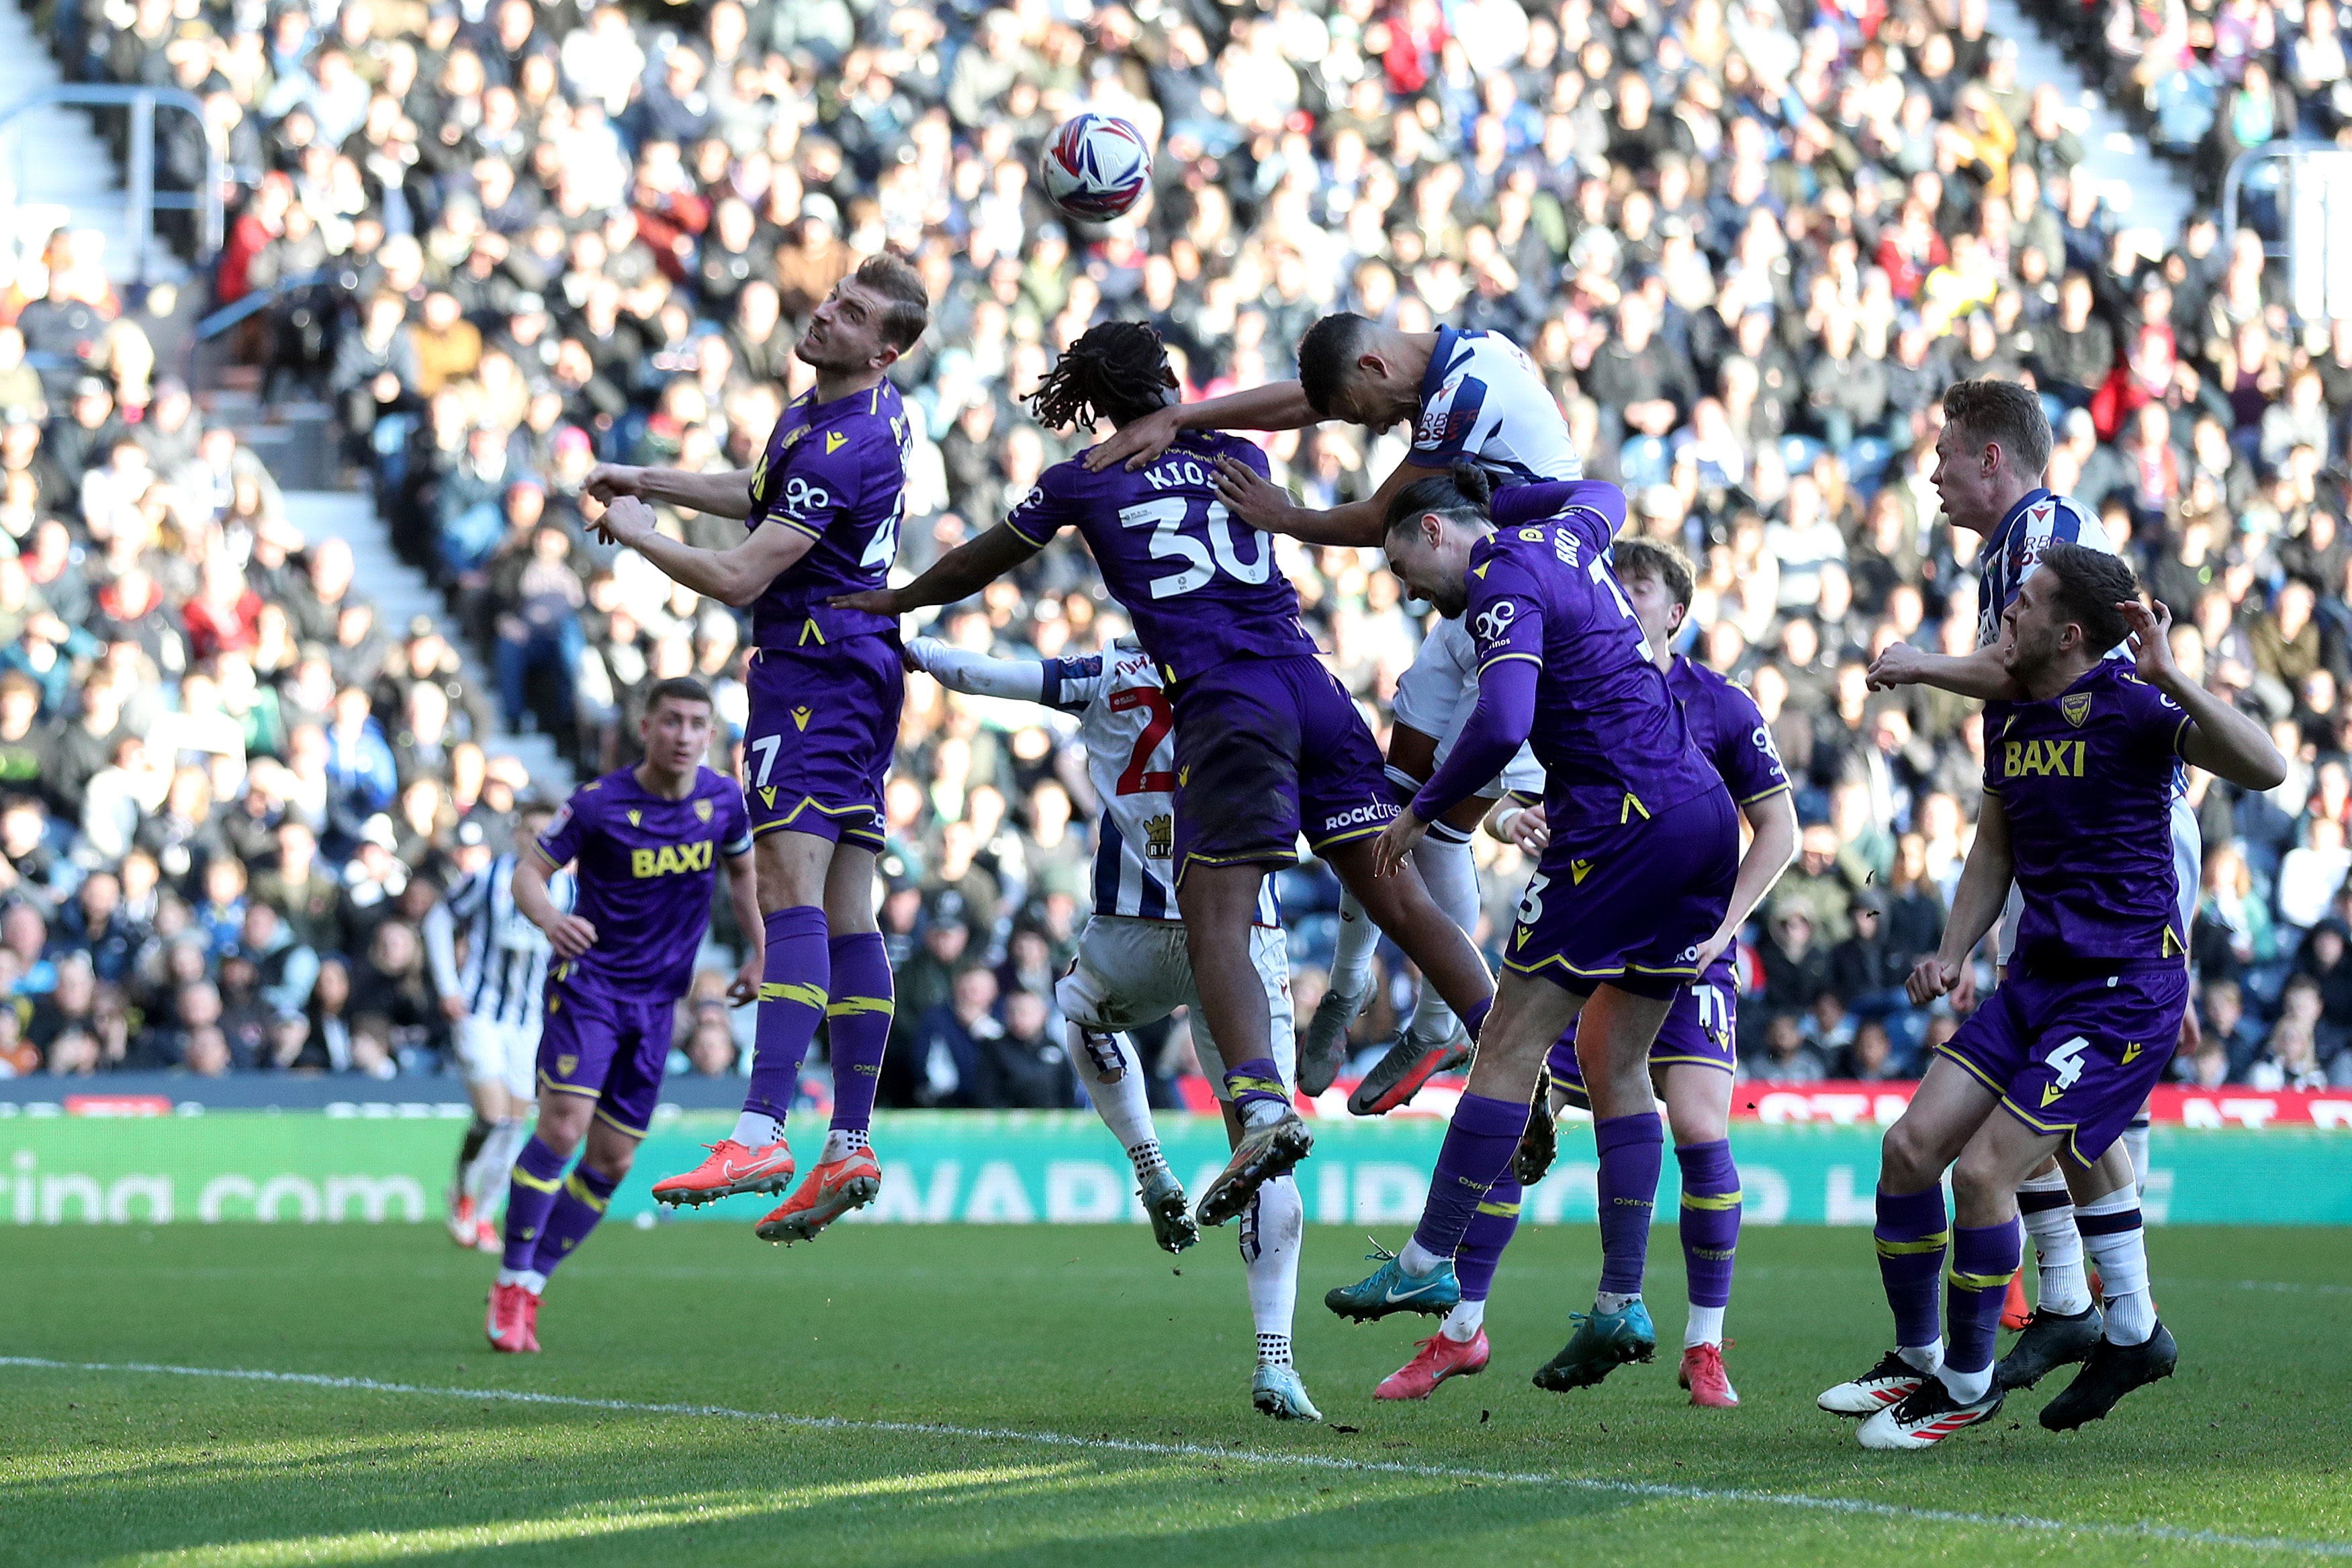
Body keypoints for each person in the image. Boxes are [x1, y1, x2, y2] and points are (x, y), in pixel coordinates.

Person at [834, 321, 1496, 1240]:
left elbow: (979, 557)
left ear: (1091, 398)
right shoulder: (1231, 444)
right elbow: (1304, 407)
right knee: (1398, 895)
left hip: (1226, 702)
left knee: (1212, 914)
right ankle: (1508, 1049)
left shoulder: (1084, 475)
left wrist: (899, 599)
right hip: (1310, 681)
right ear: (1168, 382)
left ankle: (1261, 1108)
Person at [1819, 547, 2284, 1448]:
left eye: (2021, 603)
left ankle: (1965, 1382)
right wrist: (1952, 952)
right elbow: (1993, 848)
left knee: (1985, 1170)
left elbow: (2263, 767)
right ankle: (1922, 1358)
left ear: (2066, 631)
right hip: (2035, 981)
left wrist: (2173, 675)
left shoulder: (2134, 706)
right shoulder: (2005, 712)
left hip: (2120, 991)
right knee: (1909, 1147)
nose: (2004, 612)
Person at [1087, 312, 1578, 1110]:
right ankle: (1352, 989)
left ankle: (1442, 1026)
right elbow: (1306, 402)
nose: (1364, 425)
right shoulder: (1455, 356)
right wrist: (1183, 415)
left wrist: (1283, 518)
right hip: (1473, 605)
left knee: (1433, 827)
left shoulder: (1467, 388)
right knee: (1379, 803)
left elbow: (1379, 514)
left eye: (1361, 408)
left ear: (1377, 367)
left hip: (1534, 618)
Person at [1324, 467, 1737, 1401]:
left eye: (1402, 564)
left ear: (1435, 531)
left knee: (1506, 1047)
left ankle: (1430, 1256)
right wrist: (1496, 497)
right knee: (1615, 1060)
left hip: (1618, 824)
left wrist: (1422, 812)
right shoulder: (1573, 535)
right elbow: (1603, 488)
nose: (1406, 588)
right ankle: (1621, 1298)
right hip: (1701, 822)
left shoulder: (1502, 584)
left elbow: (1505, 716)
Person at [1381, 537, 1796, 1408]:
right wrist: (1503, 822)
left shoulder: (1714, 703)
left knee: (1695, 1126)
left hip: (1683, 938)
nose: (1620, 596)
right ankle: (1461, 1326)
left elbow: (1778, 830)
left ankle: (1703, 1342)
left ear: (1673, 610)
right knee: (1516, 1112)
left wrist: (1724, 923)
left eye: (1637, 586)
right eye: (1618, 582)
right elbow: (1505, 793)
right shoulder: (1574, 676)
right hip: (1587, 916)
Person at [582, 252, 929, 1242]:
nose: (825, 316)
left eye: (851, 314)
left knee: (788, 895)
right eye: (832, 298)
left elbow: (740, 575)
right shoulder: (828, 415)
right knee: (849, 908)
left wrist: (640, 530)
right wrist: (646, 473)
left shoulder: (840, 443)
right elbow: (759, 494)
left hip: (813, 679)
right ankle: (849, 1139)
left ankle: (760, 1125)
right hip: (857, 669)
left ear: (885, 350)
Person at [1866, 377, 2202, 1353]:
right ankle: (2070, 1301)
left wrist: (1920, 663)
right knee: (2049, 1060)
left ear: (1989, 460)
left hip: (2110, 823)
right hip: (2058, 805)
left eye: (1942, 452)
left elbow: (2025, 671)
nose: (1930, 471)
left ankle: (2082, 1307)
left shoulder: (2040, 537)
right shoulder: (2005, 551)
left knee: (2069, 1061)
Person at [905, 630, 1316, 1422]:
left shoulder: (1108, 669)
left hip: (1132, 927)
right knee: (1266, 1148)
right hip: (1247, 937)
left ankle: (1148, 1160)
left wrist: (904, 637)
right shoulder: (1264, 667)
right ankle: (1275, 1358)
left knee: (1078, 1005)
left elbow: (980, 672)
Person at [484, 678, 759, 1352]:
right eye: (672, 721)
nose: (685, 735)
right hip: (591, 987)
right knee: (563, 1127)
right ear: (646, 727)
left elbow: (746, 875)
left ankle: (536, 1282)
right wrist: (550, 918)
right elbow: (528, 873)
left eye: (698, 723)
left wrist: (761, 951)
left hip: (658, 1001)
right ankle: (511, 1278)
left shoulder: (723, 801)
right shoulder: (598, 804)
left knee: (610, 1162)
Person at [422, 800, 572, 1252]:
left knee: (514, 1122)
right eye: (531, 830)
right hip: (481, 1012)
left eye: (548, 831)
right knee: (492, 1114)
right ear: (516, 833)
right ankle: (464, 1193)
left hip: (529, 1022)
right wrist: (448, 984)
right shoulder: (490, 877)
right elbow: (437, 918)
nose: (539, 839)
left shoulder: (568, 889)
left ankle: (483, 1213)